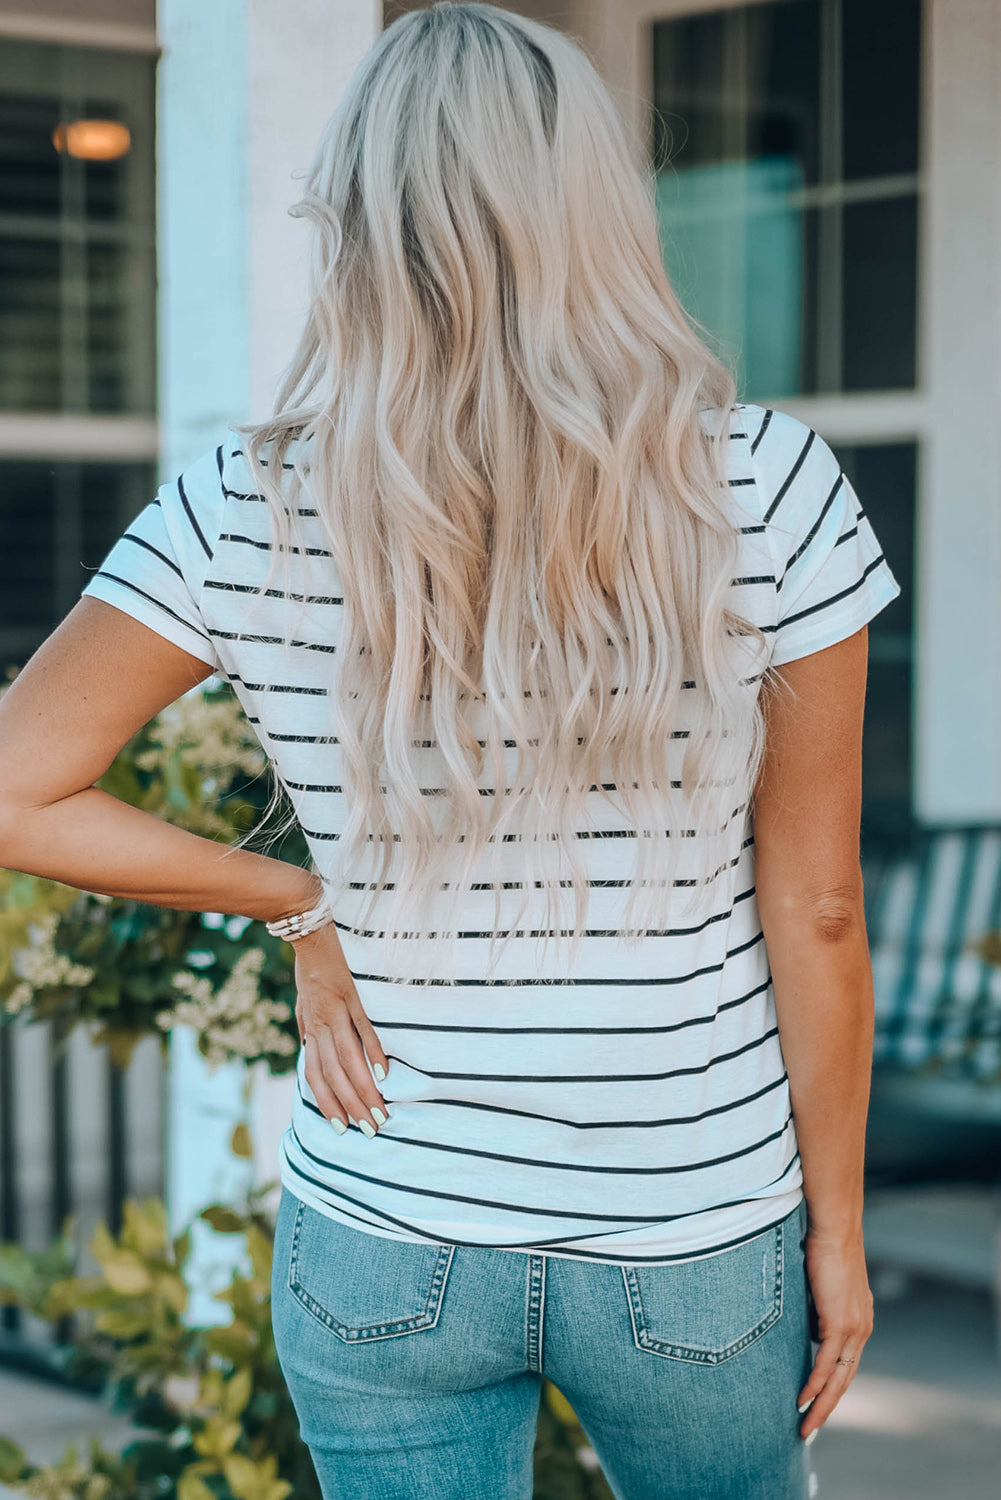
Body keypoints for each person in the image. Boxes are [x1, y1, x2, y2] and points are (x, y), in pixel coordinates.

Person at [0, 4, 899, 1497]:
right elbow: (815, 907)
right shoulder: (768, 488)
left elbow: (15, 790)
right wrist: (841, 1231)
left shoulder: (247, 503)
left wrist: (297, 905)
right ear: (599, 208)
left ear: (360, 222)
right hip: (690, 1228)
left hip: (385, 1229)